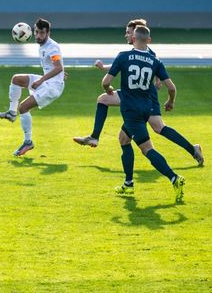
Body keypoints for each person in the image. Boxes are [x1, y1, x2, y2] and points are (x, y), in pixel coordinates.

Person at [73, 19, 204, 167]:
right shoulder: (137, 53)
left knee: (158, 127)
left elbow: (151, 67)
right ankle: (95, 137)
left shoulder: (147, 53)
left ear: (136, 34)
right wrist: (104, 68)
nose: (126, 35)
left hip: (145, 97)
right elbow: (124, 63)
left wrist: (158, 81)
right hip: (132, 95)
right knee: (106, 104)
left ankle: (191, 151)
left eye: (128, 32)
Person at [102, 25, 186, 202]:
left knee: (147, 149)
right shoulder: (155, 61)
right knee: (123, 139)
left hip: (131, 110)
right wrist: (170, 102)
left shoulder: (123, 56)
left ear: (133, 39)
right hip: (147, 108)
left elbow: (106, 81)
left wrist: (108, 89)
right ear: (148, 40)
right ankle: (128, 184)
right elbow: (171, 87)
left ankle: (174, 178)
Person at [0, 18, 64, 156]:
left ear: (48, 33)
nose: (38, 35)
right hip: (48, 82)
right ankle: (11, 113)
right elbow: (57, 67)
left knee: (23, 108)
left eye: (42, 33)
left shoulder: (52, 47)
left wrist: (42, 80)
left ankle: (28, 142)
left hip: (53, 87)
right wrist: (58, 73)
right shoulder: (43, 45)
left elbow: (58, 67)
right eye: (36, 32)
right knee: (16, 79)